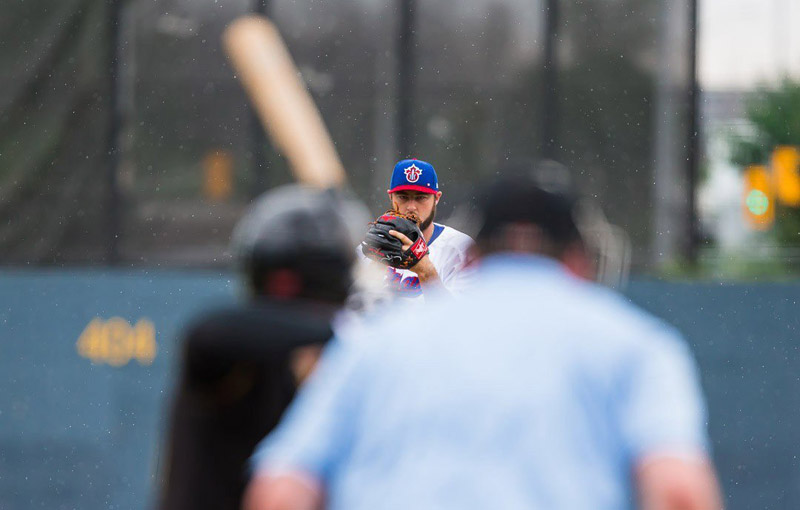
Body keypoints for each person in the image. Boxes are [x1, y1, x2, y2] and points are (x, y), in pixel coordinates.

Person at [244, 174, 723, 510]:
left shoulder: (376, 344)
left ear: (471, 258)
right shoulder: (637, 345)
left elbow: (281, 492)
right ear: (579, 260)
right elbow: (679, 492)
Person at [157, 185, 363, 510]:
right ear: (285, 283)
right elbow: (209, 335)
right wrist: (348, 329)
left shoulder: (329, 363)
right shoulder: (234, 356)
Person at [357, 158, 474, 301]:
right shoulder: (369, 249)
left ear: (436, 198)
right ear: (391, 196)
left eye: (421, 197)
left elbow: (464, 318)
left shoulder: (461, 249)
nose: (411, 207)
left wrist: (426, 272)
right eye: (403, 197)